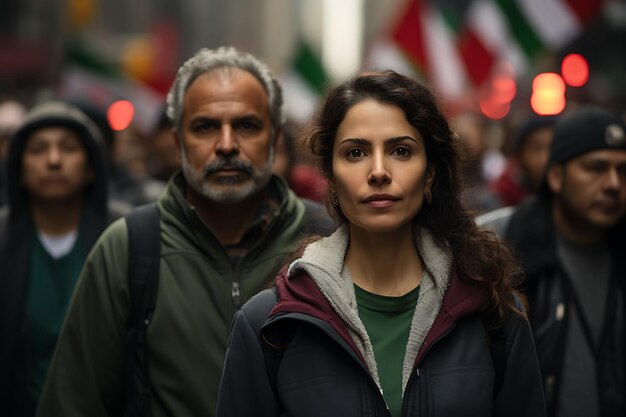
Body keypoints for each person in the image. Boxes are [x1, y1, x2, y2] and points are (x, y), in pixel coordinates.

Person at [216, 70, 545, 417]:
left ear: (429, 173)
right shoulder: (268, 325)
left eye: (400, 150)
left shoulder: (493, 312)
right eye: (355, 152)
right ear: (329, 177)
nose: (378, 171)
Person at [36, 46, 335, 417]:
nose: (226, 145)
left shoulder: (330, 242)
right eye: (205, 127)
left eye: (246, 125)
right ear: (177, 143)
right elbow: (73, 402)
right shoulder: (128, 247)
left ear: (274, 141)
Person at [477, 105, 626, 417]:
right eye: (596, 168)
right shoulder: (498, 243)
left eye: (622, 170)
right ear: (556, 176)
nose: (613, 183)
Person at [0, 100, 130, 417]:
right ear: (18, 170)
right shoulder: (2, 239)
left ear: (90, 167)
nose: (54, 160)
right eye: (39, 150)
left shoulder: (125, 235)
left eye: (68, 148)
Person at [490, 115, 557, 207]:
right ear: (520, 155)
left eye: (552, 147)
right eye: (537, 148)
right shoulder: (500, 195)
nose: (544, 159)